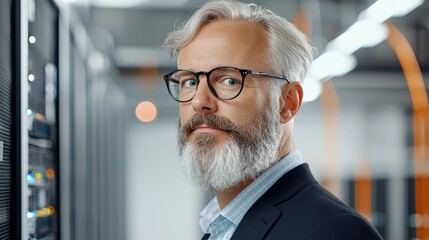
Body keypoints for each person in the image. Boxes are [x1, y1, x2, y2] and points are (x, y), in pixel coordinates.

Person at [163, 1, 383, 239]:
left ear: (288, 103)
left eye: (229, 81)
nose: (199, 101)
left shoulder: (335, 231)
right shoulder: (220, 227)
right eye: (190, 82)